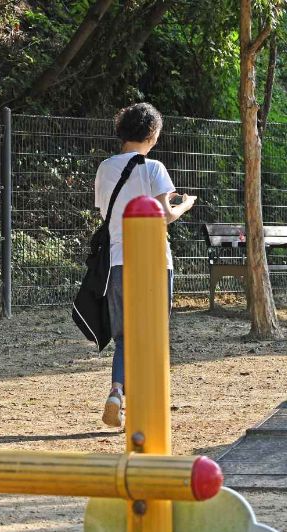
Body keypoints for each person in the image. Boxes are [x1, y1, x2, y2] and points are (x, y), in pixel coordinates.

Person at [95, 102, 196, 428]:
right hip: (152, 261)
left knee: (125, 336)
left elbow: (105, 215)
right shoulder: (154, 168)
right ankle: (146, 410)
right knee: (151, 335)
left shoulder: (105, 168)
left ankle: (116, 393)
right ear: (152, 134)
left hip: (117, 262)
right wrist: (185, 205)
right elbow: (165, 215)